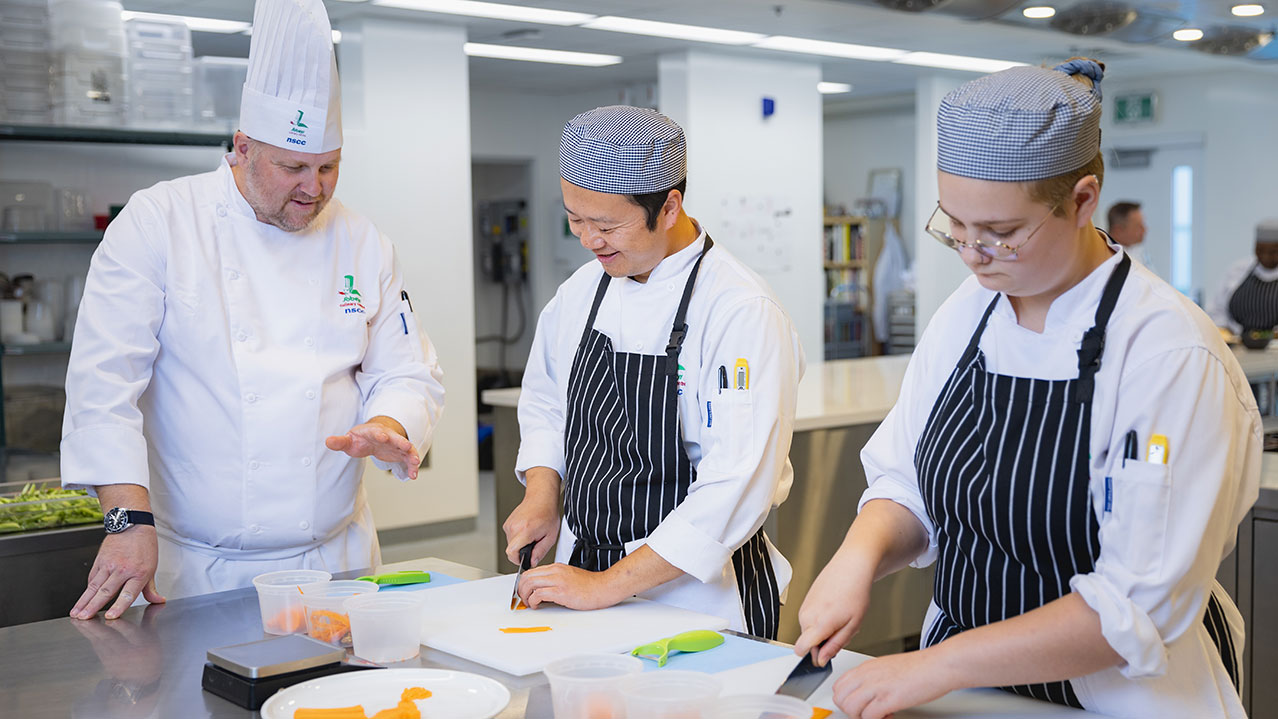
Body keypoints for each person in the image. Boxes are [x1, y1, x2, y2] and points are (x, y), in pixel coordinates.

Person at [795, 60, 1257, 718]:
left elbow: (1132, 607)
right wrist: (857, 556)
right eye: (955, 226)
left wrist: (935, 664)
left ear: (1082, 200)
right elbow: (907, 480)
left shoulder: (1169, 353)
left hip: (1118, 697)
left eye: (1002, 234)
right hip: (961, 691)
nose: (973, 254)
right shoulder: (968, 311)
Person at [61, 0, 445, 620]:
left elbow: (406, 369)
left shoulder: (363, 240)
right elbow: (103, 385)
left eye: (328, 167)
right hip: (198, 572)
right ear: (240, 147)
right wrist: (126, 518)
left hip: (336, 562)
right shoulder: (160, 222)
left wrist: (391, 425)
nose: (313, 189)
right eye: (293, 166)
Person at [502, 106, 804, 638]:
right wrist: (543, 495)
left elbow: (736, 483)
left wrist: (607, 585)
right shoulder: (580, 292)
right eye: (575, 219)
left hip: (695, 598)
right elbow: (548, 403)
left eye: (607, 225)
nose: (589, 240)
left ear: (669, 207)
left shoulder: (740, 310)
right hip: (582, 572)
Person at [1208, 219, 1278, 335]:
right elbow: (1217, 309)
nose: (1266, 256)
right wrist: (1225, 328)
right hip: (1239, 345)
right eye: (1260, 250)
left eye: (1273, 252)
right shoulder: (1238, 270)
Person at [1106, 200, 1149, 265]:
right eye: (1138, 226)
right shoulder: (1106, 259)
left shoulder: (1138, 252)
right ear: (1118, 231)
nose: (1144, 229)